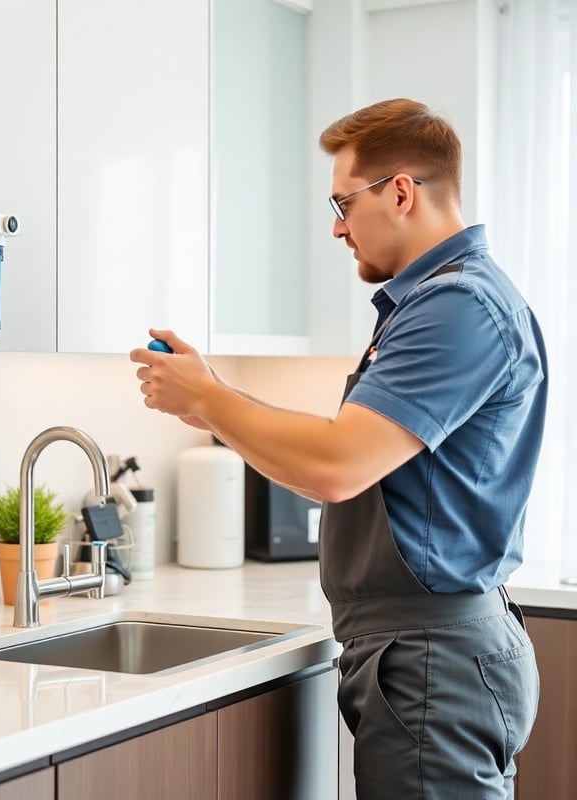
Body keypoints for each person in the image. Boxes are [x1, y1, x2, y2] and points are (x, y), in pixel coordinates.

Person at [130, 98, 547, 800]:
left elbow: (335, 464)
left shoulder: (458, 307)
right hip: (425, 655)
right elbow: (334, 466)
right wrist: (214, 402)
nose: (337, 226)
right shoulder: (437, 303)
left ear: (402, 191)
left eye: (343, 201)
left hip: (432, 659)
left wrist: (207, 399)